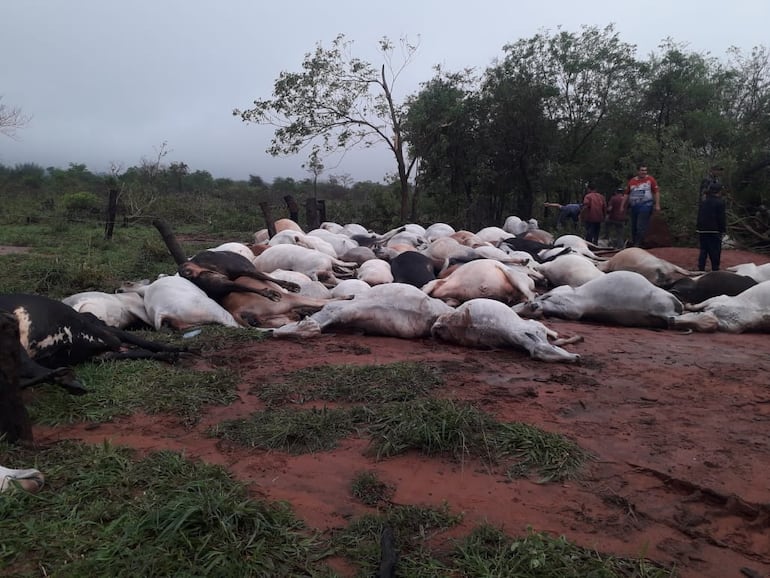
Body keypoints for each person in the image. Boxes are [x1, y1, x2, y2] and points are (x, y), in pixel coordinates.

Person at [623, 164, 661, 247]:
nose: (644, 172)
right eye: (642, 170)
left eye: (645, 170)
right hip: (634, 207)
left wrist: (657, 204)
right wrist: (622, 206)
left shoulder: (650, 180)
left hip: (646, 205)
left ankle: (638, 243)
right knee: (634, 226)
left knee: (640, 225)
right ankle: (636, 242)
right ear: (638, 171)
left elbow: (656, 192)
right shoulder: (632, 181)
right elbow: (626, 194)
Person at [696, 182, 726, 271]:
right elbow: (721, 217)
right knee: (715, 250)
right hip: (714, 229)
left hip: (702, 229)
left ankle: (701, 268)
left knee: (703, 249)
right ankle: (715, 268)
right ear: (719, 191)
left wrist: (698, 227)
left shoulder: (703, 201)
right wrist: (722, 229)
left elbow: (699, 215)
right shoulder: (720, 202)